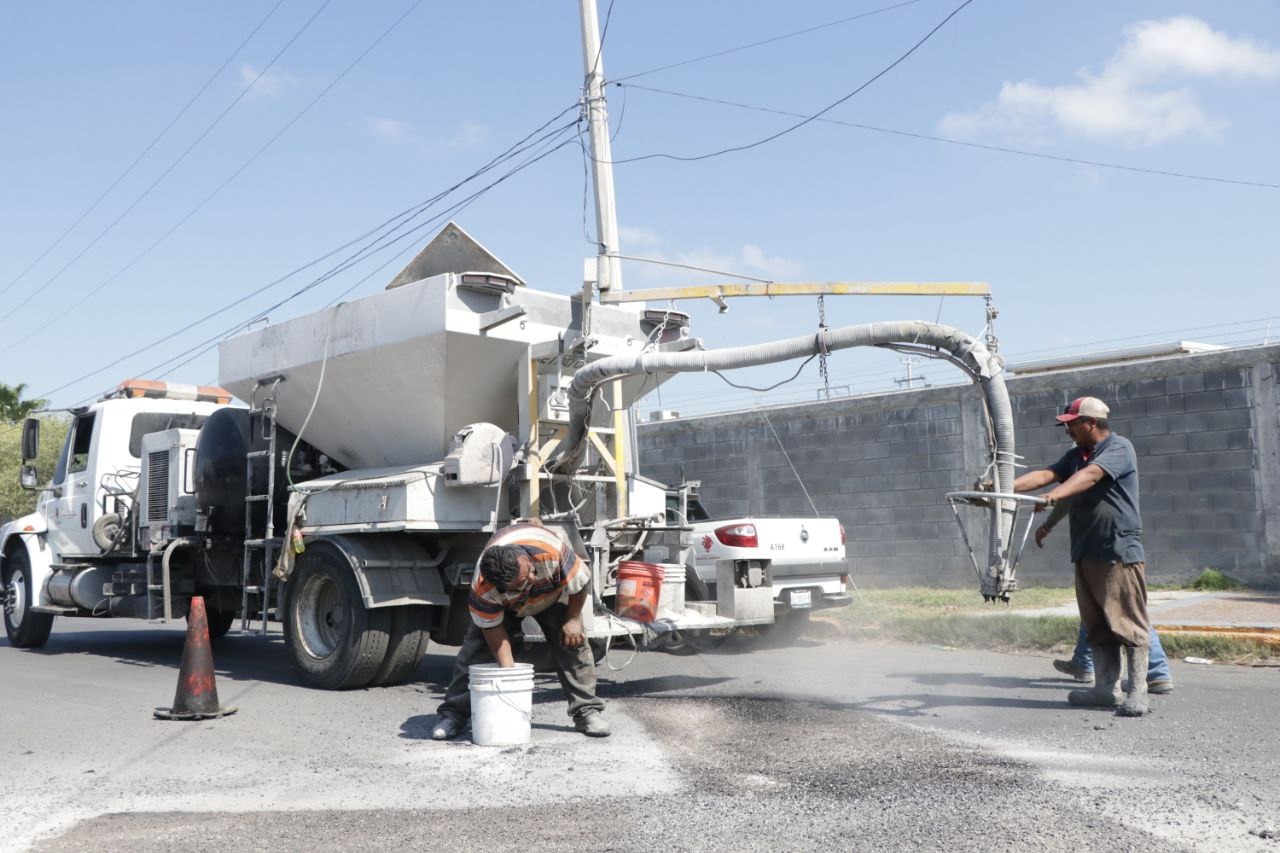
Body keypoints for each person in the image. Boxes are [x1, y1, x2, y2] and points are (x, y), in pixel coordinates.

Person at [1013, 395, 1153, 717]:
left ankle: (1139, 692)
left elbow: (1087, 478)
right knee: (1098, 626)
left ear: (1091, 422)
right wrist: (1000, 486)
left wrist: (1051, 496)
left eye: (1072, 425)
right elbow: (1046, 475)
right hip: (1086, 551)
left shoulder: (1118, 448)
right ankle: (1105, 690)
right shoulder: (1076, 455)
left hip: (1116, 550)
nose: (1068, 431)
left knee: (1128, 622)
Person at [431, 522, 609, 740]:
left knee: (573, 643)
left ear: (524, 558)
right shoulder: (484, 589)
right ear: (501, 587)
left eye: (531, 571)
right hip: (509, 607)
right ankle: (454, 715)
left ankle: (587, 712)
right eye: (524, 581)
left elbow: (581, 582)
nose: (533, 578)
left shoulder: (550, 551)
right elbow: (494, 633)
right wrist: (510, 680)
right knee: (475, 651)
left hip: (551, 596)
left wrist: (572, 619)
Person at [1035, 500, 1173, 693]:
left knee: (1128, 615)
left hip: (1110, 548)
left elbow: (1070, 493)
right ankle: (1084, 662)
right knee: (1100, 608)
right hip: (1102, 545)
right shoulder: (1092, 472)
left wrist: (1048, 518)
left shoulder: (1092, 471)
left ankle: (1156, 672)